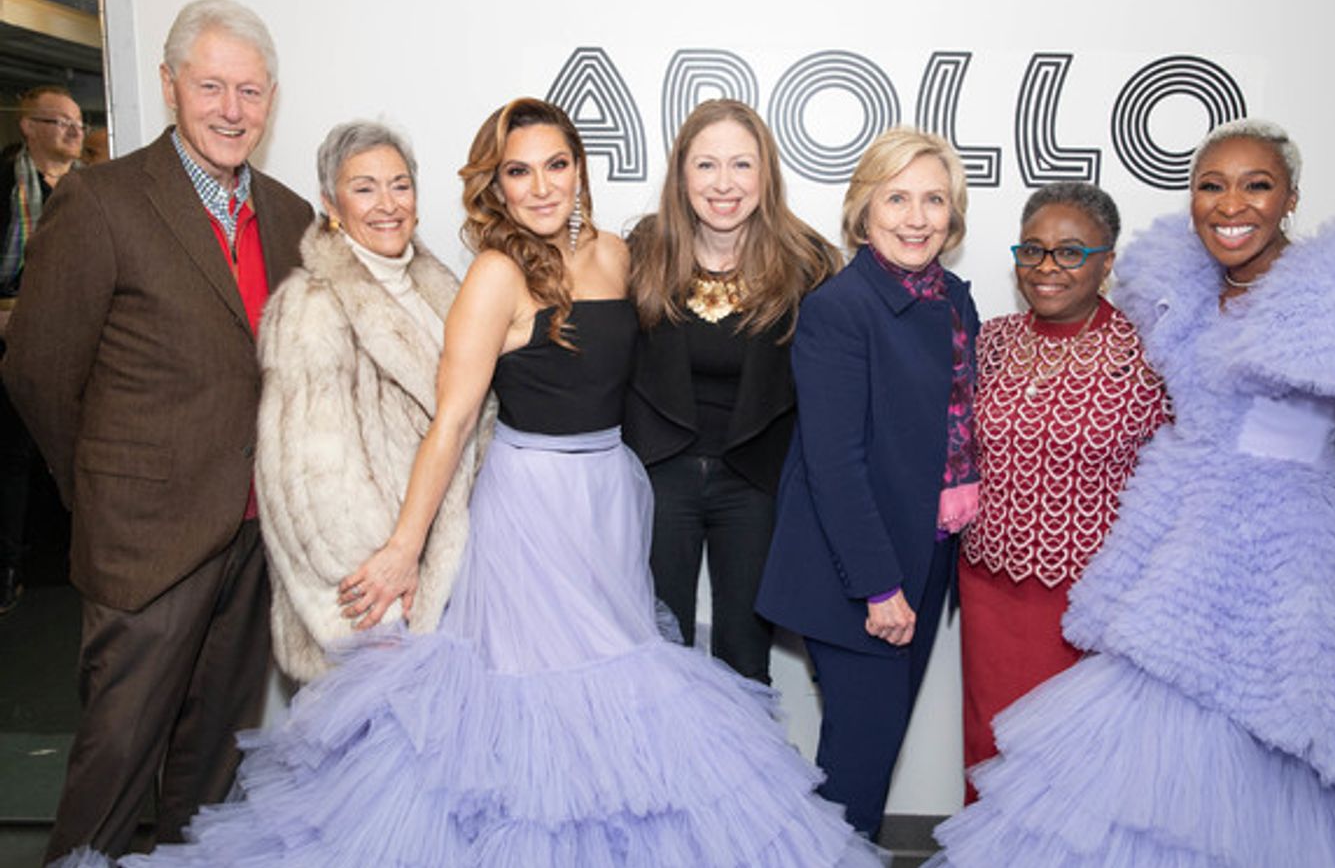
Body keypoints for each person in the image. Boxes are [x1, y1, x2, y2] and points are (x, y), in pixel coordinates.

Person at [125, 98, 882, 867]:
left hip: (612, 499)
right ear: (499, 186)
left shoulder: (619, 256)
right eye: (519, 172)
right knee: (541, 705)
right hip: (532, 507)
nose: (542, 187)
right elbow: (451, 424)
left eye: (556, 165)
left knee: (614, 706)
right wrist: (402, 549)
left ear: (580, 171)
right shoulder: (494, 274)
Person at [932, 120, 1335, 865]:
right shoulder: (1176, 305)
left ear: (1290, 198)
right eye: (1210, 185)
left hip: (1298, 560)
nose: (1230, 203)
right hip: (1185, 549)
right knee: (1164, 758)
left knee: (1286, 750)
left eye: (1256, 184)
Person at [3, 0, 313, 863]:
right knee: (111, 777)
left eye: (249, 90)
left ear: (273, 99)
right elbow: (37, 371)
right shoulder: (103, 202)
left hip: (254, 546)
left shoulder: (290, 218)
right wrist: (105, 493)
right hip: (145, 548)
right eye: (211, 84)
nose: (231, 108)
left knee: (208, 782)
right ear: (171, 85)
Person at [757, 127, 980, 838]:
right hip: (858, 571)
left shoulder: (956, 300)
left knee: (868, 758)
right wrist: (880, 586)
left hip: (927, 555)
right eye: (898, 198)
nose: (916, 217)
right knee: (858, 770)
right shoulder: (839, 309)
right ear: (863, 209)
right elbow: (835, 465)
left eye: (934, 199)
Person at [254, 120, 493, 682]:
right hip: (385, 602)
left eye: (400, 184)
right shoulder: (311, 307)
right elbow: (313, 490)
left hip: (450, 579)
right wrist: (380, 601)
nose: (387, 204)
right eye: (364, 188)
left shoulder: (443, 290)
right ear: (330, 203)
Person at [955, 182, 1169, 803]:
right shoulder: (988, 341)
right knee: (989, 746)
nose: (1047, 268)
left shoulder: (1147, 351)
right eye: (1034, 250)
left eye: (1071, 253)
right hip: (989, 584)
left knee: (1073, 765)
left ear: (1107, 262)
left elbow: (1191, 461)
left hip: (1091, 603)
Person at [625, 99, 841, 683]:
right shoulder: (639, 253)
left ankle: (744, 774)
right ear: (681, 175)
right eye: (707, 165)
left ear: (766, 174)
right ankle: (658, 775)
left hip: (757, 481)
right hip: (658, 474)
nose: (725, 184)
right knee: (657, 651)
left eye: (742, 165)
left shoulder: (810, 263)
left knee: (744, 657)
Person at [0, 85, 86, 613]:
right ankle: (10, 565)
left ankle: (70, 560)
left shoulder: (94, 190)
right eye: (59, 121)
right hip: (9, 335)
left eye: (77, 122)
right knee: (12, 453)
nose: (73, 131)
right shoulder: (7, 186)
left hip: (75, 340)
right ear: (28, 127)